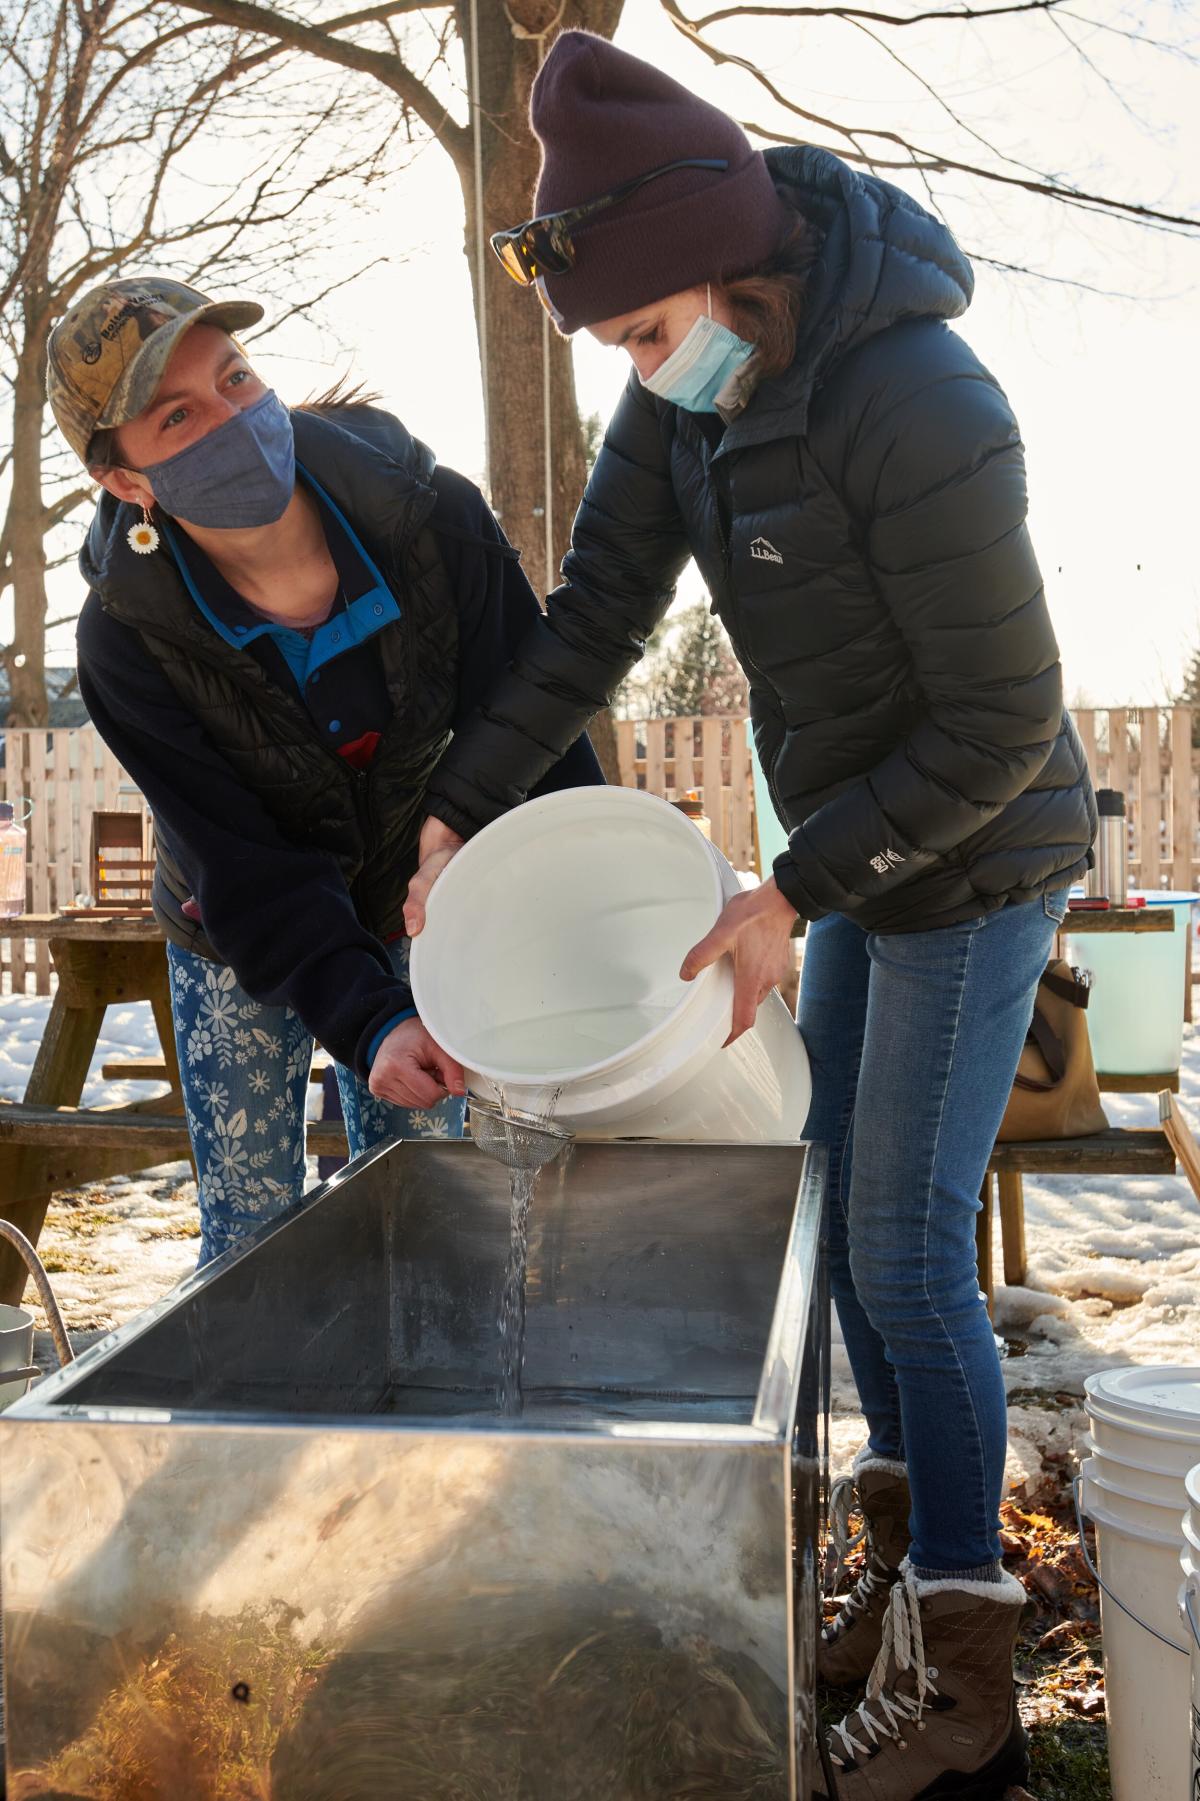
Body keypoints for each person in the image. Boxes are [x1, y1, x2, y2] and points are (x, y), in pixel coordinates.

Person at [407, 33, 1096, 1801]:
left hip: (978, 848)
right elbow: (592, 620)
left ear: (728, 260)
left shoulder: (919, 396)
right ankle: (897, 1569)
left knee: (905, 1247)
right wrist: (456, 805)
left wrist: (789, 887)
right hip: (854, 861)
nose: (645, 373)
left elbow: (1006, 719)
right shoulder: (688, 400)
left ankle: (968, 1682)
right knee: (833, 1218)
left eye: (644, 334)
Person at [48, 277, 602, 1266]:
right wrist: (365, 1017)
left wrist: (577, 907)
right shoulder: (128, 641)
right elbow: (239, 858)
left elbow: (532, 729)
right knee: (255, 1236)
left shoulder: (432, 520)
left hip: (417, 898)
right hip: (243, 930)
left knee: (429, 1210)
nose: (235, 420)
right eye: (178, 416)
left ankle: (420, 1416)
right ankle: (273, 1415)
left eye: (236, 378)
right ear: (126, 481)